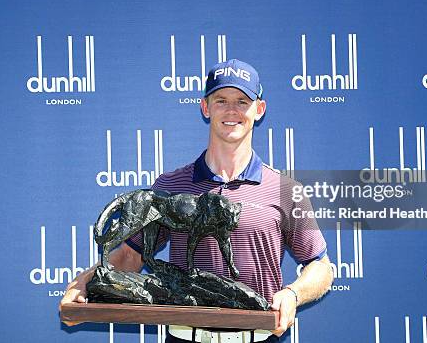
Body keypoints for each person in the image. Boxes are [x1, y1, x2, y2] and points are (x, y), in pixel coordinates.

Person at [61, 59, 334, 342]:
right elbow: (130, 255)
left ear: (259, 109)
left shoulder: (285, 189)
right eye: (221, 100)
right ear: (205, 107)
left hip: (260, 336)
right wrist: (85, 284)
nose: (232, 110)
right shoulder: (170, 185)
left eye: (242, 101)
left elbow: (321, 266)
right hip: (185, 336)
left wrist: (292, 294)